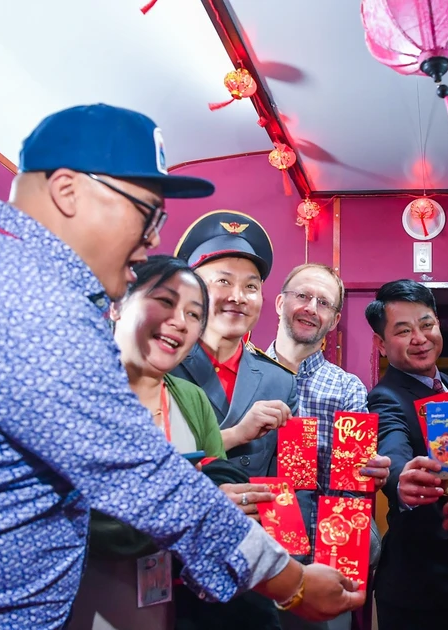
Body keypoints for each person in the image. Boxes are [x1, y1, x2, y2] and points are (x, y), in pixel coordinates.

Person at [0, 104, 362, 628]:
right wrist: (290, 581)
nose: (152, 239)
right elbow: (145, 479)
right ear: (67, 190)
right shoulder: (29, 298)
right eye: (147, 213)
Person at [67, 254, 224, 630]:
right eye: (166, 302)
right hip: (81, 600)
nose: (179, 322)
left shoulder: (191, 398)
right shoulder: (76, 392)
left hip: (168, 605)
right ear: (119, 303)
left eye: (194, 314)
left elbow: (219, 480)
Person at [170, 213, 300, 628]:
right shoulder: (161, 365)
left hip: (251, 574)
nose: (238, 297)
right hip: (173, 569)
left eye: (251, 286)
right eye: (222, 281)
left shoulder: (279, 378)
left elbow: (284, 480)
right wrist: (237, 433)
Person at [265, 263, 391, 630]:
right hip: (258, 557)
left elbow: (350, 489)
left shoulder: (346, 388)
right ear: (280, 303)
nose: (310, 308)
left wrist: (370, 473)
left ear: (334, 320)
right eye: (303, 296)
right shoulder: (245, 374)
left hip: (328, 557)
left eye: (323, 303)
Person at [365, 279, 448, 630]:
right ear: (381, 345)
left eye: (426, 324)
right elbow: (392, 448)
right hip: (420, 582)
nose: (420, 338)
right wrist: (400, 481)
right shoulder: (387, 397)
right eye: (403, 331)